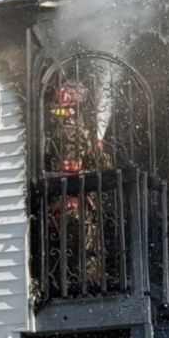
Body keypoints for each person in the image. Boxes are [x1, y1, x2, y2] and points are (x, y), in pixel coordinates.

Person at [43, 81, 110, 294]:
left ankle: (59, 288)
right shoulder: (82, 134)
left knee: (59, 253)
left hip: (53, 206)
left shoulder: (46, 134)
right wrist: (100, 147)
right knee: (88, 253)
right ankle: (87, 290)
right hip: (79, 206)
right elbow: (103, 165)